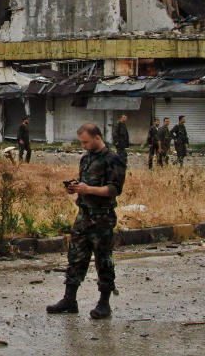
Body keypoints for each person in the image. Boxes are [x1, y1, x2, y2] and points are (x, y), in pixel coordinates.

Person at [46, 123, 126, 319]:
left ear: (97, 137)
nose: (83, 146)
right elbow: (86, 182)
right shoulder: (86, 159)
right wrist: (75, 188)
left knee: (103, 260)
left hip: (102, 218)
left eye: (86, 142)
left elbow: (114, 189)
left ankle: (104, 304)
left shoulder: (113, 159)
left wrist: (88, 189)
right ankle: (69, 300)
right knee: (75, 257)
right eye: (81, 142)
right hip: (84, 216)